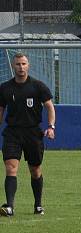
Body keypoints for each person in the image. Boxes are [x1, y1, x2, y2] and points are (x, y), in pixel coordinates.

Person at [0, 53, 56, 217]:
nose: (21, 67)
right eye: (18, 64)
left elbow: (50, 107)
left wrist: (51, 127)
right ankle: (9, 206)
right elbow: (1, 111)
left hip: (33, 132)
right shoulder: (4, 88)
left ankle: (38, 205)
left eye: (23, 64)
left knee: (35, 169)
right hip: (13, 132)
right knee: (11, 167)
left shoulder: (38, 86)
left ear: (28, 65)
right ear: (13, 66)